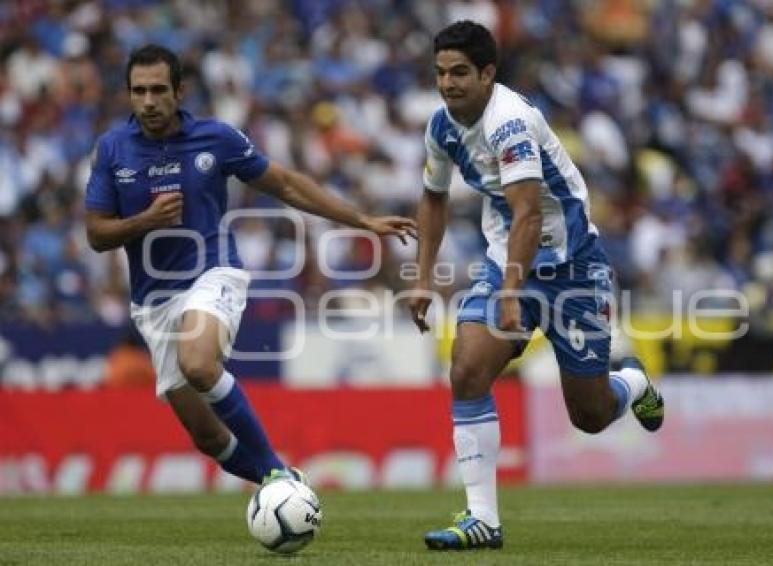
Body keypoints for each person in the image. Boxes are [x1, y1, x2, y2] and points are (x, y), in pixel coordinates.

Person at [84, 44, 416, 486]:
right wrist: (146, 221)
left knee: (199, 364)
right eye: (138, 91)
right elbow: (96, 235)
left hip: (212, 270)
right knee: (207, 437)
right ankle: (279, 483)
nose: (148, 101)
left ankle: (279, 474)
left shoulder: (216, 138)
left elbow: (284, 184)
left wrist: (360, 220)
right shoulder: (111, 149)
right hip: (153, 300)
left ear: (180, 91)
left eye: (158, 90)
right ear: (127, 94)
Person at [408, 21, 664, 550]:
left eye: (459, 72)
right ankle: (483, 519)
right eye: (440, 73)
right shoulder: (441, 128)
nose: (448, 83)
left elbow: (528, 214)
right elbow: (433, 198)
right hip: (506, 261)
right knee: (468, 367)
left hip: (573, 267)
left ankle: (632, 383)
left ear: (487, 73)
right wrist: (422, 278)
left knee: (590, 416)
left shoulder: (510, 124)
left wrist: (509, 295)